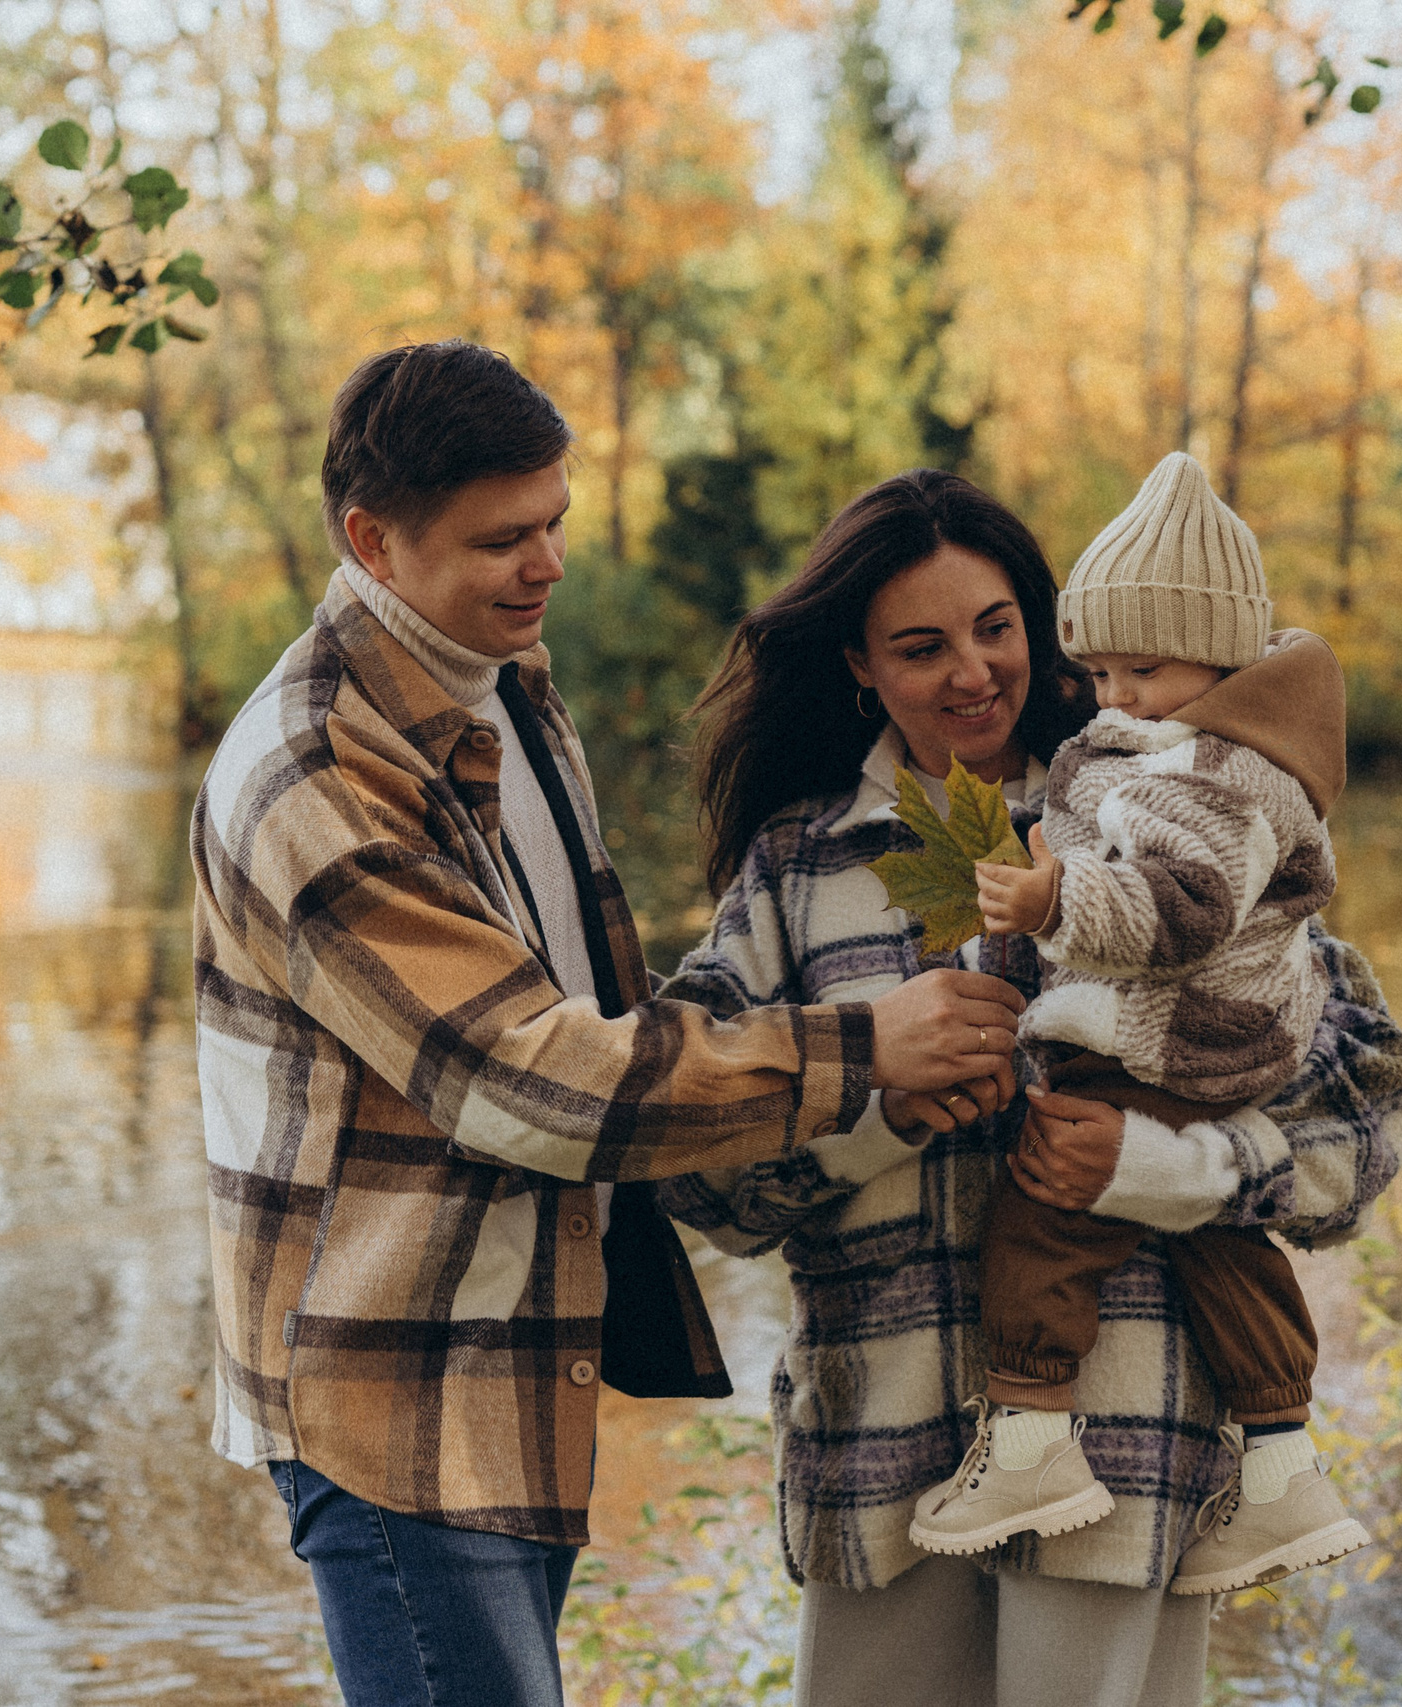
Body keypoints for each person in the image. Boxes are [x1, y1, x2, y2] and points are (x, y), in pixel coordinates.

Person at [188, 342, 1026, 1707]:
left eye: (554, 523)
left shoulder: (499, 680)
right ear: (372, 542)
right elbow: (531, 1073)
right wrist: (864, 1046)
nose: (548, 564)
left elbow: (604, 999)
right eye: (502, 537)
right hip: (393, 1385)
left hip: (514, 1348)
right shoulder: (312, 770)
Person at [655, 469, 1402, 1707]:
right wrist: (877, 1107)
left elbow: (1362, 1116)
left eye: (996, 628)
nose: (971, 673)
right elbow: (694, 1170)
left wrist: (1164, 1171)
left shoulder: (1171, 806)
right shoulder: (795, 868)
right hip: (880, 1458)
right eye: (920, 646)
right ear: (856, 662)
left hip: (1130, 1455)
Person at [909, 451, 1370, 1597]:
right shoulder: (1187, 746)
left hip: (1173, 1032)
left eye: (1140, 669)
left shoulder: (1214, 771)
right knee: (1221, 1244)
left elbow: (1184, 903)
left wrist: (1053, 898)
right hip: (1206, 1040)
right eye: (1100, 670)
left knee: (1046, 1216)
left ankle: (1027, 1437)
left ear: (1217, 653)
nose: (1112, 696)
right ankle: (1278, 1467)